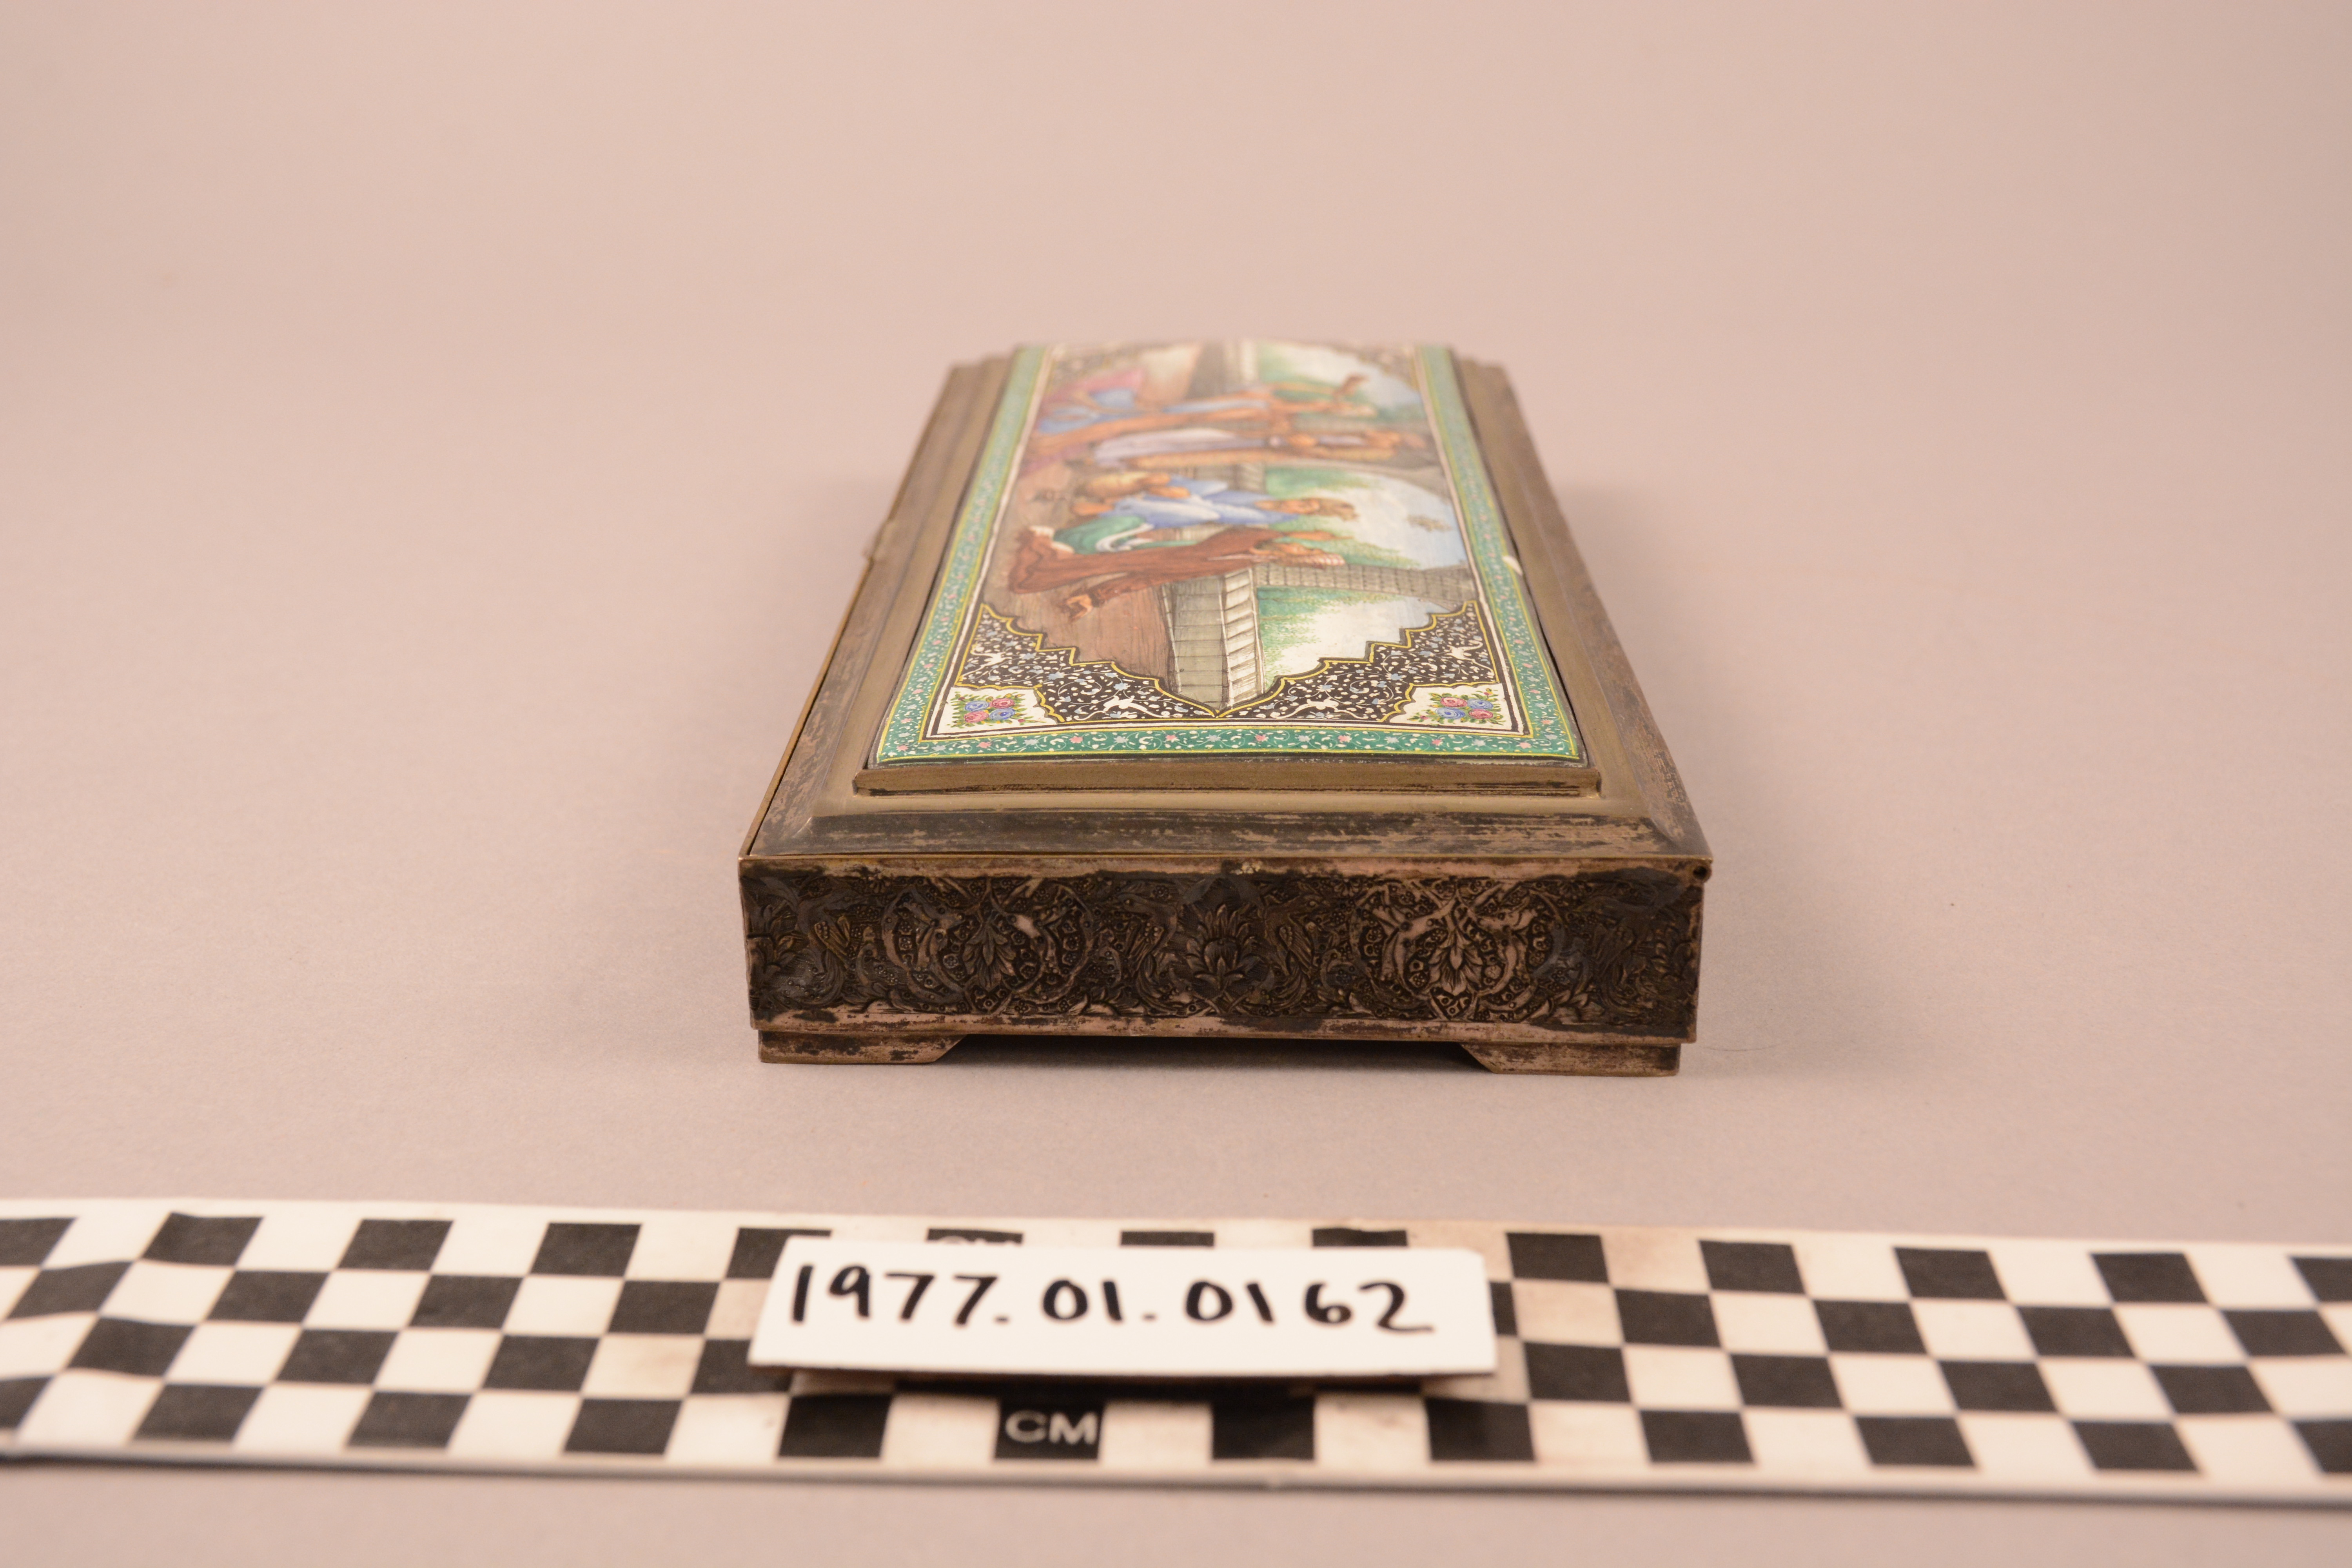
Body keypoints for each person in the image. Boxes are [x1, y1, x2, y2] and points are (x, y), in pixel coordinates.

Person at [1007, 525, 1347, 617]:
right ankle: (1042, 549)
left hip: (1154, 566)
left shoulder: (1245, 562)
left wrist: (1096, 597)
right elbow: (1252, 535)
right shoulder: (1251, 538)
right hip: (1153, 551)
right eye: (1305, 549)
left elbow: (1154, 579)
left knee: (1038, 580)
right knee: (1086, 564)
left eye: (1305, 556)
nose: (1299, 552)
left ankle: (1045, 558)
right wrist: (1301, 536)